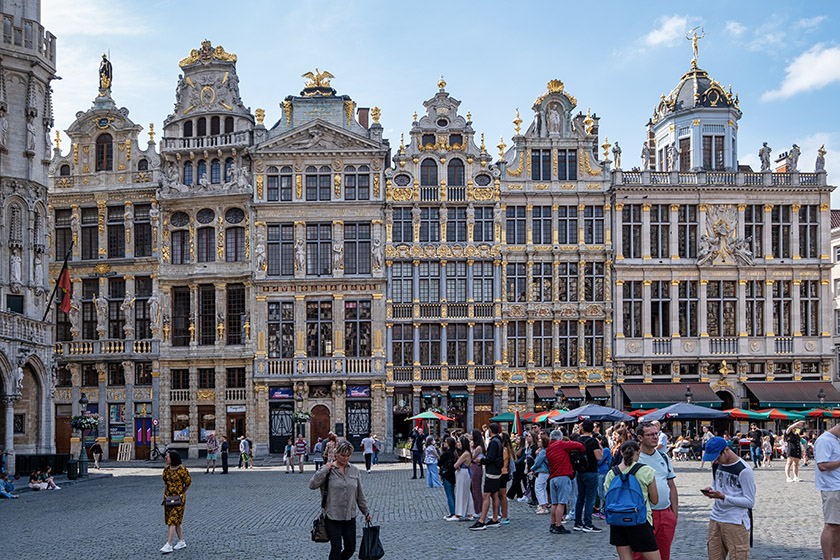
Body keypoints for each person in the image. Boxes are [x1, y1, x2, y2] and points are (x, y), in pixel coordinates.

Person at [309, 441, 371, 560]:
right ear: (337, 454)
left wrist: (366, 512)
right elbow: (312, 485)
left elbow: (360, 494)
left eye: (348, 455)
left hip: (349, 516)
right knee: (336, 547)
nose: (345, 458)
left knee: (350, 548)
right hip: (332, 516)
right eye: (343, 455)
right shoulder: (328, 470)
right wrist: (324, 470)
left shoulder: (354, 470)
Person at [604, 440, 660, 560]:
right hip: (640, 520)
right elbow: (655, 500)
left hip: (617, 520)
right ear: (638, 453)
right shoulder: (646, 471)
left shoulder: (611, 473)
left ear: (621, 453)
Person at [701, 437, 756, 560]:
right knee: (714, 556)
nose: (715, 461)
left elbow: (750, 501)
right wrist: (711, 490)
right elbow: (717, 484)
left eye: (717, 457)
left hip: (735, 521)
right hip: (716, 518)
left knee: (738, 556)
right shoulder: (716, 465)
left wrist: (723, 497)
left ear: (726, 450)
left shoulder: (744, 470)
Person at [636, 422, 678, 560]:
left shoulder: (663, 457)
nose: (655, 437)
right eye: (650, 435)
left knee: (663, 555)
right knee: (639, 556)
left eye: (656, 434)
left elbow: (671, 485)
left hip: (665, 514)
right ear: (640, 438)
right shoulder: (635, 459)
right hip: (644, 515)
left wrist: (674, 515)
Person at [546, 428, 586, 534]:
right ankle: (559, 525)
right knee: (562, 503)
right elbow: (579, 446)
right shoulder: (561, 444)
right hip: (563, 476)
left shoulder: (548, 448)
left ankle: (553, 523)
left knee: (554, 503)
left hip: (553, 477)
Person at [469, 423, 504, 530]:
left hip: (492, 472)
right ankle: (494, 518)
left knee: (486, 495)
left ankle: (482, 521)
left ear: (490, 430)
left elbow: (490, 458)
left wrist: (481, 460)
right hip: (496, 471)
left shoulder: (494, 442)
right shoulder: (499, 441)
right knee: (494, 494)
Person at [815, 422, 840, 560]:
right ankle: (828, 558)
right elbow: (822, 465)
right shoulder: (825, 440)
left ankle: (837, 557)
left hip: (837, 486)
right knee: (831, 525)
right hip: (832, 488)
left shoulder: (836, 440)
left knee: (838, 525)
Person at [574, 420, 604, 533]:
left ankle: (577, 522)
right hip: (591, 471)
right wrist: (600, 448)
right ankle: (588, 523)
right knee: (590, 498)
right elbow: (599, 457)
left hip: (580, 471)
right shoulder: (593, 442)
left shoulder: (577, 440)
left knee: (580, 497)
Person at [160, 450, 191, 554]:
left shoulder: (182, 470)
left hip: (179, 499)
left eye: (167, 457)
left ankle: (168, 544)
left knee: (172, 520)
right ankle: (181, 541)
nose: (166, 459)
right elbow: (165, 481)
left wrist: (181, 492)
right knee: (176, 520)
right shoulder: (166, 470)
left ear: (173, 459)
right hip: (168, 497)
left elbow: (187, 483)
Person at [454, 435, 476, 521]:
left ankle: (458, 514)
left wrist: (457, 465)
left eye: (459, 442)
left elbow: (456, 465)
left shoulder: (465, 453)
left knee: (461, 493)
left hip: (463, 473)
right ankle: (470, 513)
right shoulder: (466, 453)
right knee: (467, 493)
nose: (457, 443)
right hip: (464, 473)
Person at [497, 432, 515, 524]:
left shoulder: (504, 451)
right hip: (503, 473)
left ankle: (504, 515)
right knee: (500, 495)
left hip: (502, 473)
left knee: (502, 495)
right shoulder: (505, 450)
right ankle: (501, 514)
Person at [531, 432, 551, 515]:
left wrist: (532, 469)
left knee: (539, 489)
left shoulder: (542, 452)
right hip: (545, 472)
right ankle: (544, 505)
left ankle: (543, 506)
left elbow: (537, 462)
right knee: (543, 489)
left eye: (539, 441)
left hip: (542, 471)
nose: (538, 442)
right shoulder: (545, 451)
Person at [439, 436, 457, 520]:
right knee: (452, 494)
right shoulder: (455, 452)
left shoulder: (446, 453)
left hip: (447, 474)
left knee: (449, 495)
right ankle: (455, 511)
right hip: (453, 475)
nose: (444, 443)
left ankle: (452, 512)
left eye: (445, 442)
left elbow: (439, 462)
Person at [594, 434, 612, 520]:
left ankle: (605, 510)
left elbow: (599, 461)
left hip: (603, 472)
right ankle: (602, 510)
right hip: (599, 472)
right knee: (599, 492)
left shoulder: (606, 450)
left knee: (602, 493)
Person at [470, 429, 485, 517]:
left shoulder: (479, 447)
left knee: (476, 488)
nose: (470, 435)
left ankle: (478, 509)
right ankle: (474, 508)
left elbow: (471, 457)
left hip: (476, 467)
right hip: (472, 466)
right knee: (472, 488)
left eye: (472, 434)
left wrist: (471, 448)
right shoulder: (474, 446)